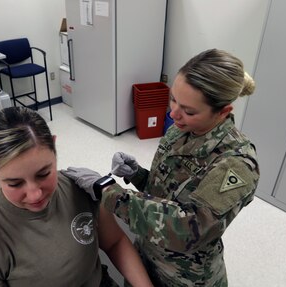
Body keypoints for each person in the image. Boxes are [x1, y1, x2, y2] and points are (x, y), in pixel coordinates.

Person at [62, 48, 260, 286]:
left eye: (188, 110)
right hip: (146, 254)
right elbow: (166, 192)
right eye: (174, 99)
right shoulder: (180, 130)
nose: (173, 113)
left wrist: (108, 190)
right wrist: (137, 175)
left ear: (223, 111)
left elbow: (191, 227)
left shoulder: (237, 163)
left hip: (184, 277)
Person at [0, 107, 153, 287]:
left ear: (54, 146)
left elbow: (114, 242)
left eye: (44, 173)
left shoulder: (80, 189)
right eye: (15, 183)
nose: (35, 194)